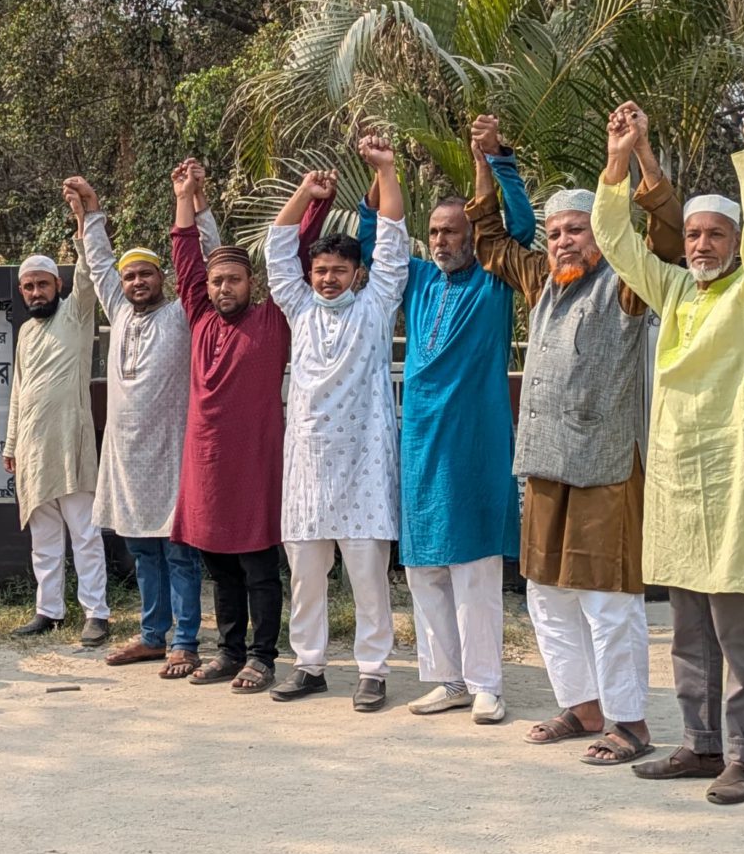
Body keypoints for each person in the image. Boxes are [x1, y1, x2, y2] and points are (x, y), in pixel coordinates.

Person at [470, 114, 685, 767]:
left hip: (607, 468)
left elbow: (669, 236)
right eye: (556, 232)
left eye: (577, 232)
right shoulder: (541, 282)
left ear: (604, 237)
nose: (563, 241)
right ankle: (583, 704)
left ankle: (629, 722)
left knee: (607, 600)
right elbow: (488, 241)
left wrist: (641, 153)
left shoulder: (627, 283)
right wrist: (486, 159)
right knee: (545, 591)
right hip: (541, 464)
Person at [592, 102, 744, 805]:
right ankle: (700, 745)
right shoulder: (672, 287)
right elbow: (613, 237)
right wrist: (622, 156)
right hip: (676, 477)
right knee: (685, 631)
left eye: (715, 233)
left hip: (730, 478)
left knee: (738, 635)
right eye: (695, 233)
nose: (701, 243)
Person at [267, 132, 409, 711]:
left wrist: (386, 169)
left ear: (356, 273)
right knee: (305, 577)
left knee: (368, 578)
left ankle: (373, 670)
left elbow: (394, 244)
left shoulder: (376, 306)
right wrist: (304, 192)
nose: (327, 278)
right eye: (321, 269)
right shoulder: (298, 307)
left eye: (338, 270)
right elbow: (279, 248)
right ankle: (309, 664)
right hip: (306, 466)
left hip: (364, 464)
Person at [388, 131, 525, 726]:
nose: (443, 240)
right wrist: (383, 171)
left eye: (453, 230)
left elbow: (517, 227)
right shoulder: (417, 279)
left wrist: (489, 162)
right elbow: (377, 239)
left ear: (472, 235)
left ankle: (487, 684)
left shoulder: (493, 279)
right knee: (425, 567)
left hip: (475, 439)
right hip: (419, 439)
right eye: (436, 232)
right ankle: (446, 679)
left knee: (474, 566)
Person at [70, 171, 220, 671]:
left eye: (146, 275)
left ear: (163, 280)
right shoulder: (118, 310)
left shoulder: (182, 315)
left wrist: (198, 208)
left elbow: (206, 263)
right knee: (143, 556)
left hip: (173, 452)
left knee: (179, 555)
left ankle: (186, 642)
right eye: (131, 276)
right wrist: (92, 212)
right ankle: (153, 634)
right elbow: (99, 264)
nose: (135, 282)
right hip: (126, 458)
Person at [168, 160, 295, 689]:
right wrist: (184, 195)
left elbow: (296, 247)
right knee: (218, 564)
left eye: (234, 279)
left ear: (252, 283)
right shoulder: (198, 317)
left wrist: (310, 196)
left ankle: (262, 657)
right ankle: (228, 651)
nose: (223, 287)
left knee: (258, 564)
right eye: (217, 280)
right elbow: (184, 258)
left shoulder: (273, 318)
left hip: (257, 461)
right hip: (206, 462)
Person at [3, 230, 111, 646]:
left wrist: (84, 226)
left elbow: (88, 275)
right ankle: (48, 610)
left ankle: (96, 614)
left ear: (58, 286)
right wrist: (11, 444)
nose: (35, 292)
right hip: (32, 448)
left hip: (71, 442)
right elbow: (18, 391)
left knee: (84, 533)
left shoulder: (76, 314)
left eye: (42, 284)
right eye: (28, 286)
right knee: (44, 538)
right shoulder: (27, 333)